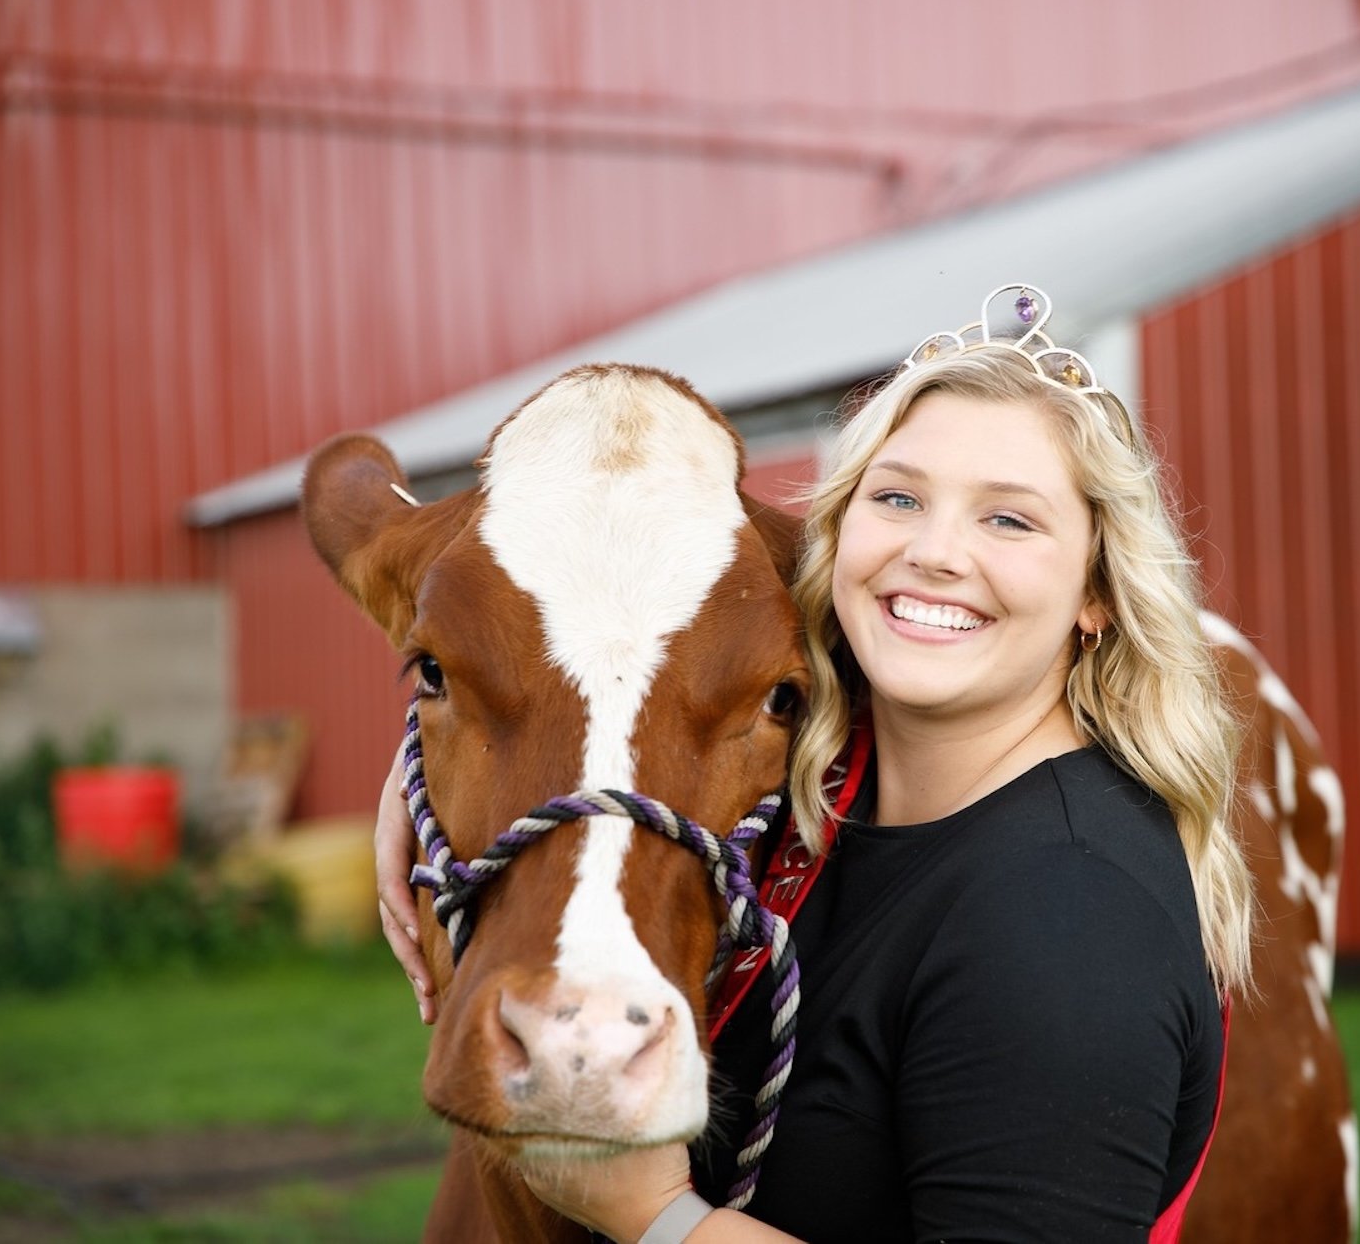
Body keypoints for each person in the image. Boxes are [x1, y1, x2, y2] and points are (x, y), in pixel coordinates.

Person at [375, 284, 1254, 1243]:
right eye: (899, 497)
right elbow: (632, 659)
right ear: (841, 534)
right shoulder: (829, 767)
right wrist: (430, 747)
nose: (934, 553)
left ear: (1098, 593)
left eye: (1010, 520)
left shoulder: (1067, 918)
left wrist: (657, 1216)